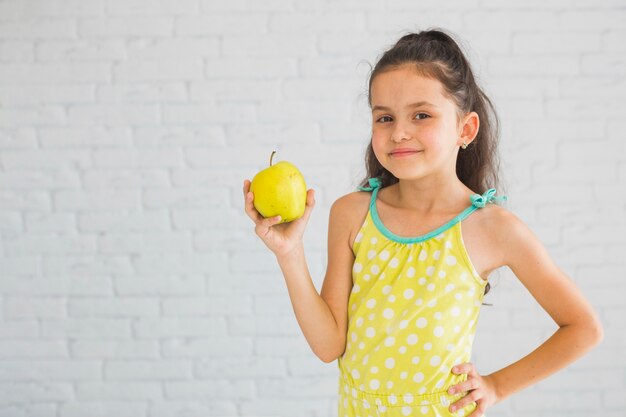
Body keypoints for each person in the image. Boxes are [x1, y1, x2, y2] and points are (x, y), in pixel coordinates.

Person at [243, 28, 603, 417]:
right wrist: (289, 252)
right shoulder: (352, 213)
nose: (399, 132)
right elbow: (329, 345)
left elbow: (583, 327)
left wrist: (497, 386)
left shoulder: (492, 228)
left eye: (421, 115)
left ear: (465, 129)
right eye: (384, 117)